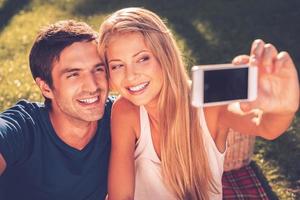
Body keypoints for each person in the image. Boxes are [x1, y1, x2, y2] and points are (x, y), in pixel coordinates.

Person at [98, 7, 299, 200]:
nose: (131, 75)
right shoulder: (125, 110)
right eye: (117, 65)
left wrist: (283, 109)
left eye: (142, 59)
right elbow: (121, 195)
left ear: (165, 55)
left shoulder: (208, 100)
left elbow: (264, 126)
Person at [0, 20, 112, 200]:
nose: (92, 86)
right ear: (46, 88)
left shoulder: (119, 117)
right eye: (74, 74)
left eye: (98, 69)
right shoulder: (23, 128)